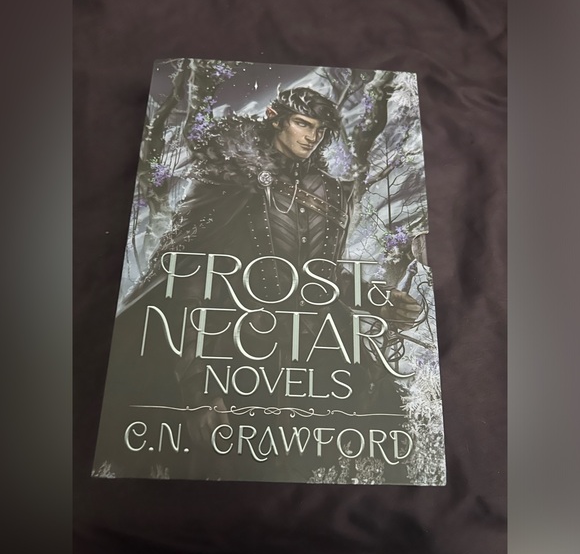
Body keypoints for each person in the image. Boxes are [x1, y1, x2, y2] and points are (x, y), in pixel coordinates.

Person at [105, 87, 421, 482]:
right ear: (276, 119)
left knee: (364, 432)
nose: (312, 136)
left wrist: (377, 298)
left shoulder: (333, 191)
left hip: (314, 346)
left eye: (320, 130)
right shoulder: (228, 176)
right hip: (234, 347)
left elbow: (322, 273)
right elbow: (190, 279)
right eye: (303, 124)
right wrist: (197, 385)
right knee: (225, 468)